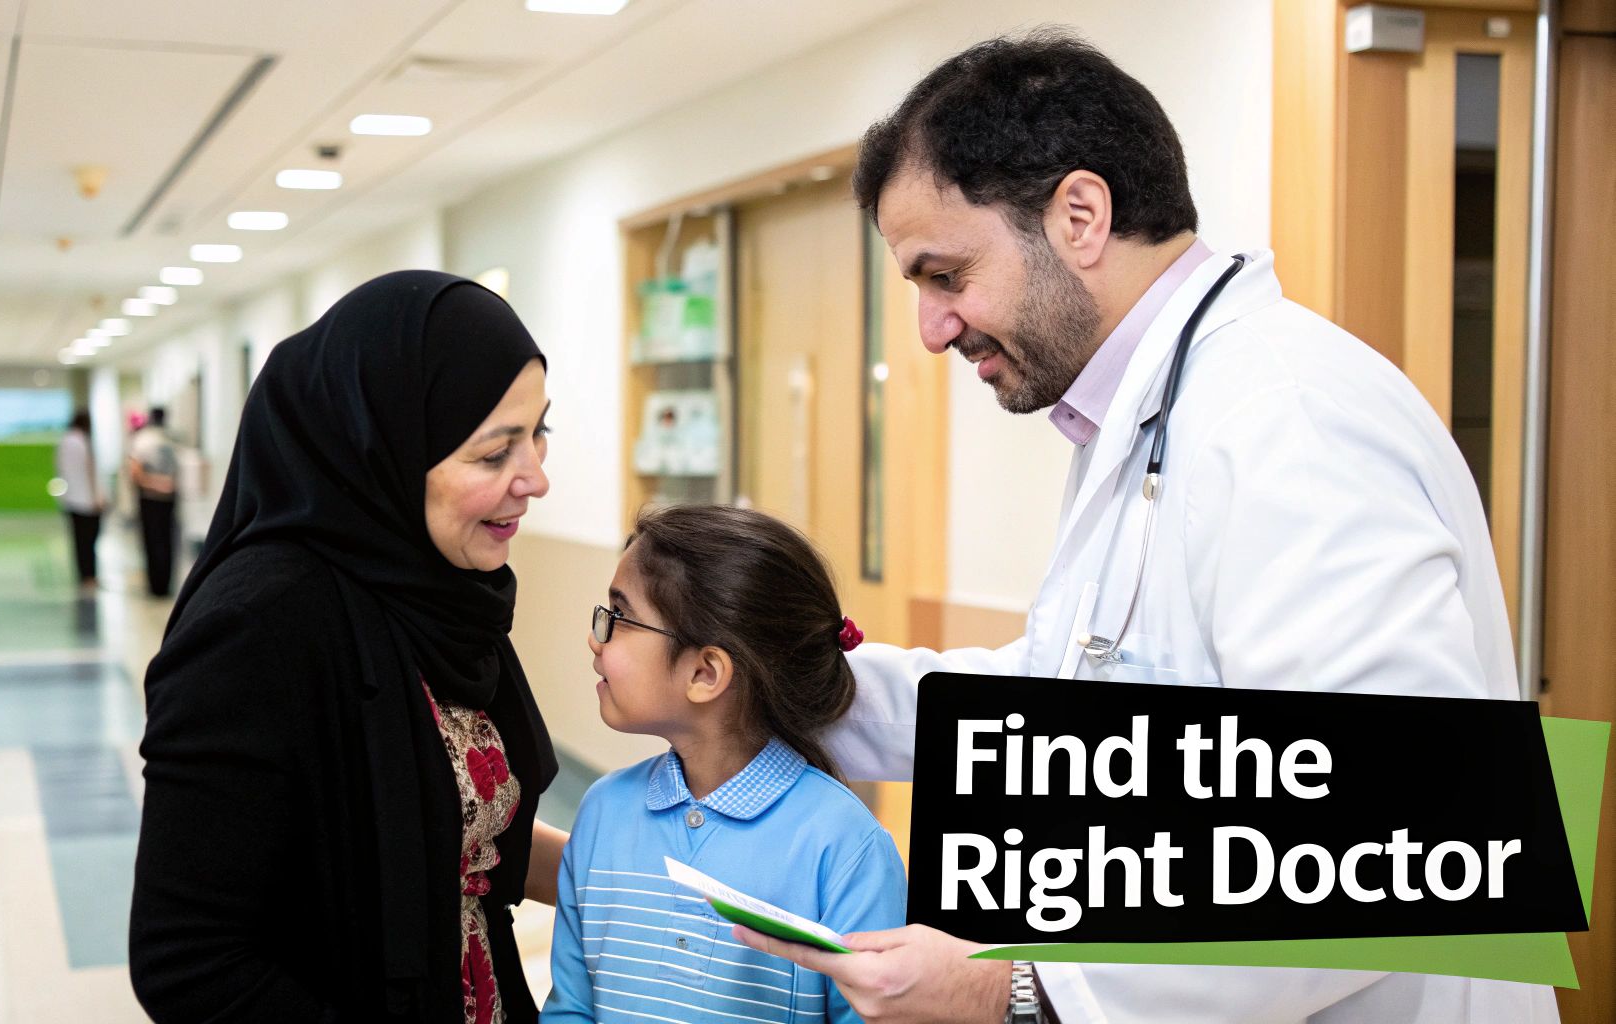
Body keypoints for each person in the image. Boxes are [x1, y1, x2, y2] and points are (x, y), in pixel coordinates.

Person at [733, 31, 1558, 1024]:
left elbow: (1402, 833)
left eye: (943, 275)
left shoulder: (1282, 417)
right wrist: (803, 691)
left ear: (1079, 214)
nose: (930, 327)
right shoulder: (1152, 416)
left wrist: (1019, 984)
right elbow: (1077, 704)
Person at [130, 271, 570, 1022]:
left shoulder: (440, 593)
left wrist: (652, 867)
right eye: (494, 454)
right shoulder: (260, 626)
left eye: (539, 435)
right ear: (384, 448)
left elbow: (460, 835)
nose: (536, 478)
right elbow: (189, 959)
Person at [542, 504, 907, 1024]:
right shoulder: (602, 811)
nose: (596, 636)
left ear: (706, 673)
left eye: (619, 617)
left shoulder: (845, 848)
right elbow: (570, 1009)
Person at [128, 407, 179, 597]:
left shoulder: (144, 440)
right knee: (163, 542)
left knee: (156, 543)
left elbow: (135, 473)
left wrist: (155, 484)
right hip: (162, 498)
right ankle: (161, 586)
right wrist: (164, 484)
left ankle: (158, 586)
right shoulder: (169, 439)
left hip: (154, 498)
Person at [56, 410, 104, 590]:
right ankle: (90, 575)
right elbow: (89, 470)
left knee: (78, 541)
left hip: (71, 499)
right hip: (86, 500)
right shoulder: (82, 441)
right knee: (89, 541)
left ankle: (83, 575)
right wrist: (98, 497)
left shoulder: (64, 441)